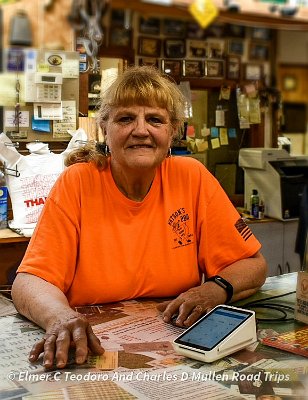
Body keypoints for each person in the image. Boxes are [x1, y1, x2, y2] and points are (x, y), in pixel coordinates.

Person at [12, 65, 267, 369]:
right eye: (126, 118)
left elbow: (253, 265)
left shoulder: (192, 177)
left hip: (174, 346)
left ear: (172, 131)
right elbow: (29, 280)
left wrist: (215, 289)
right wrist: (61, 316)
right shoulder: (78, 181)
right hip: (91, 345)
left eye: (155, 119)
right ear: (104, 129)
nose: (141, 130)